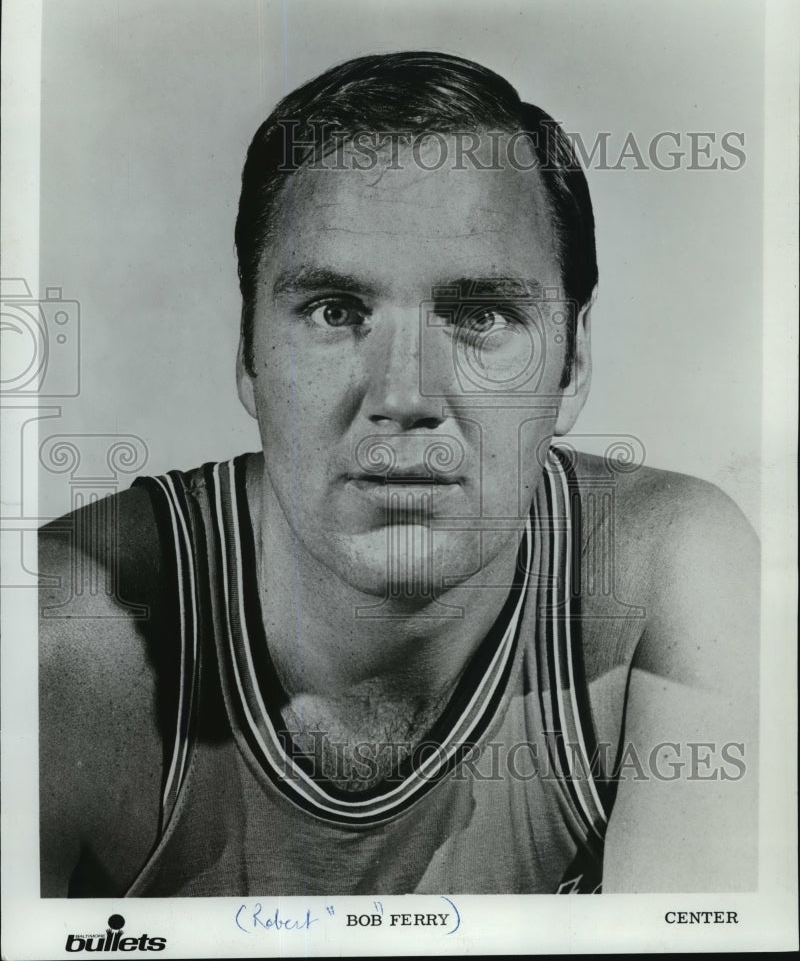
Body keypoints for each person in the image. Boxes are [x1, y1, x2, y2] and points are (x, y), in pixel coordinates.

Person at [39, 51, 758, 897]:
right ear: (247, 355)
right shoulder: (66, 640)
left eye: (480, 315)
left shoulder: (668, 573)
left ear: (572, 363)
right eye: (336, 311)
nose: (404, 396)